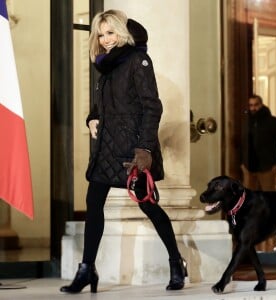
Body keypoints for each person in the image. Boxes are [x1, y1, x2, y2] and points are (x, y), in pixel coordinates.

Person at [60, 9, 187, 294]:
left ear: (122, 32)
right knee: (94, 204)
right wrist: (92, 117)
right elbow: (106, 103)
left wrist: (144, 149)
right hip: (107, 147)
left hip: (133, 149)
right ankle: (87, 269)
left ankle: (176, 262)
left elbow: (152, 106)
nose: (105, 39)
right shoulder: (106, 65)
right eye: (101, 34)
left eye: (110, 33)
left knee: (147, 204)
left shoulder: (137, 60)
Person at [241, 94, 276, 191]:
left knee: (268, 201)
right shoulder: (246, 123)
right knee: (248, 202)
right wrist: (242, 163)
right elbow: (241, 144)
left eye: (256, 105)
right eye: (251, 105)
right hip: (248, 170)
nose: (253, 108)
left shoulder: (273, 122)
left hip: (267, 169)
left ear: (261, 105)